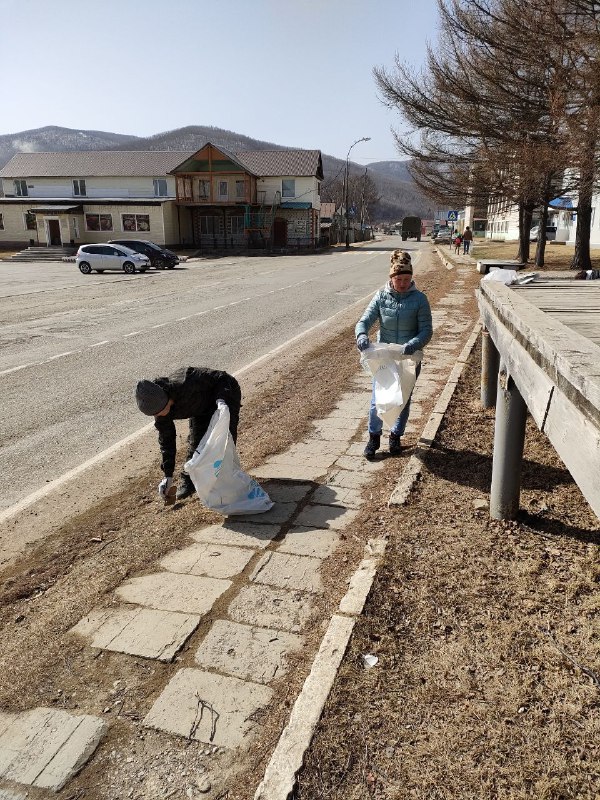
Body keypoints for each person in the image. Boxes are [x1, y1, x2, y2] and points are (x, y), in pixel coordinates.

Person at [355, 250, 433, 459]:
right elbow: (364, 321)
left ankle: (396, 437)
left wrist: (414, 343)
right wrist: (361, 335)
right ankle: (373, 438)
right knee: (378, 398)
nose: (403, 283)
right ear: (391, 278)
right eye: (399, 279)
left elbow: (426, 330)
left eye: (407, 279)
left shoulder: (419, 300)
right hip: (386, 357)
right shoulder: (381, 297)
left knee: (403, 400)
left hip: (408, 358)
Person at [135, 367, 242, 501]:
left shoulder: (188, 381)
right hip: (199, 408)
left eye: (161, 411)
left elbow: (222, 378)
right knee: (196, 445)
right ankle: (189, 482)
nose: (160, 415)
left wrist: (222, 399)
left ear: (166, 398)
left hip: (225, 395)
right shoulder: (160, 410)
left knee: (225, 440)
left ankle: (226, 479)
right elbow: (166, 441)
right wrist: (168, 475)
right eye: (155, 414)